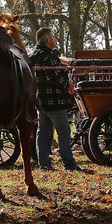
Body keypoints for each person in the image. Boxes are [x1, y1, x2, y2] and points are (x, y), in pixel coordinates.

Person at [30, 27, 81, 171]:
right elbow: (55, 78)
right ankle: (69, 164)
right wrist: (68, 84)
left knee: (43, 132)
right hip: (55, 100)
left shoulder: (34, 55)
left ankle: (44, 164)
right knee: (63, 131)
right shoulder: (49, 57)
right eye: (53, 36)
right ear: (48, 40)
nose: (55, 39)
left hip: (41, 100)